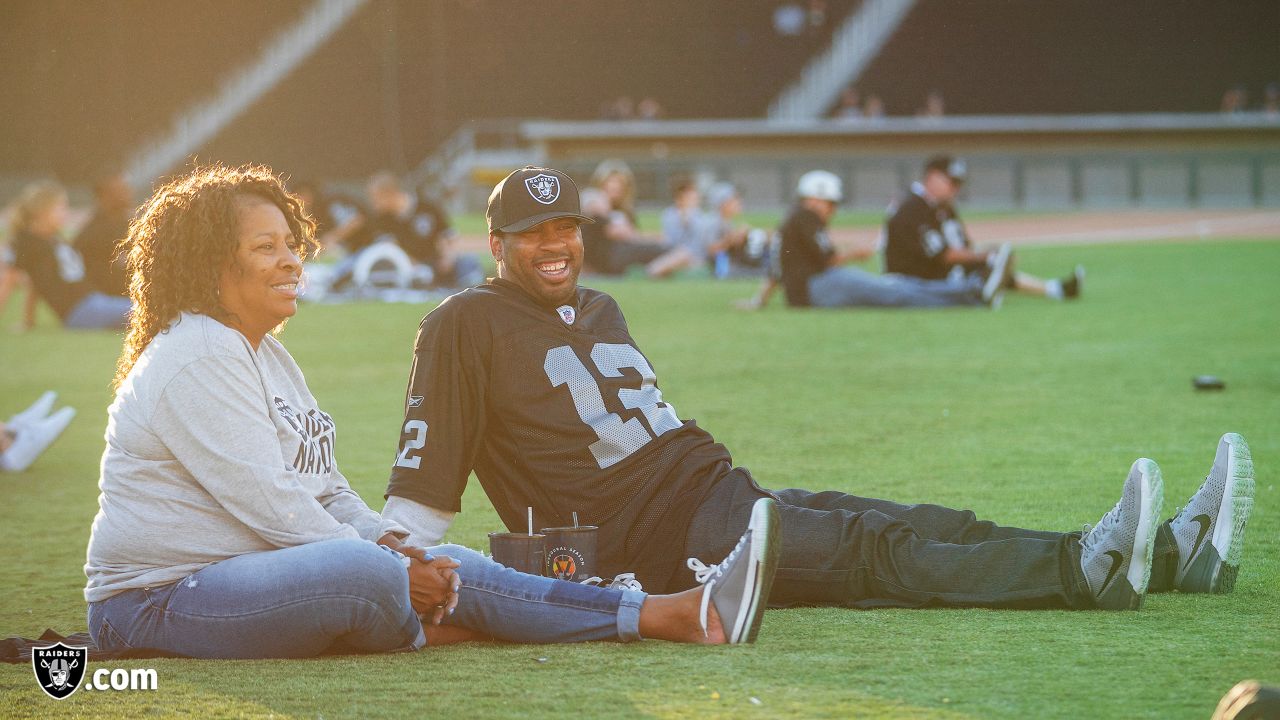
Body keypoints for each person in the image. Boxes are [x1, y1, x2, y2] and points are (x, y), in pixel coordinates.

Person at [382, 165, 1256, 617]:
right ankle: (1082, 571)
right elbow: (422, 498)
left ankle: (1179, 556)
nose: (553, 244)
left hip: (712, 492)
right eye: (530, 233)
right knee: (872, 552)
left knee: (925, 522)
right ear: (495, 242)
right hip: (658, 546)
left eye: (564, 225)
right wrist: (385, 573)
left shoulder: (598, 302)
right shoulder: (462, 322)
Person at [84, 163, 780, 660]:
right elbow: (271, 507)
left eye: (291, 244)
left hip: (251, 576)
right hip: (157, 598)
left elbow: (324, 491)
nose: (292, 261)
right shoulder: (200, 353)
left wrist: (400, 548)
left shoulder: (266, 356)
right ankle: (452, 617)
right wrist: (386, 566)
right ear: (212, 264)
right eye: (265, 248)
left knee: (437, 558)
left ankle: (671, 613)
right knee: (360, 574)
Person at [738, 170, 997, 311]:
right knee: (893, 291)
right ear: (815, 199)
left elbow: (776, 267)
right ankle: (971, 293)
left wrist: (759, 301)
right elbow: (829, 260)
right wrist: (856, 253)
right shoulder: (807, 216)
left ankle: (970, 292)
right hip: (817, 288)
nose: (833, 210)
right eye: (831, 203)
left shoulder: (791, 219)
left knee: (894, 290)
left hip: (803, 294)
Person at [883, 155, 1084, 301]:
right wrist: (989, 256)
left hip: (934, 273)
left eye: (959, 184)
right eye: (952, 182)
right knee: (984, 268)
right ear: (933, 177)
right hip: (909, 282)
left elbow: (963, 247)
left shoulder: (943, 207)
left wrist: (991, 254)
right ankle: (1049, 290)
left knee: (987, 266)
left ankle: (1053, 289)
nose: (956, 189)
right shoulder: (911, 207)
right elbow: (943, 255)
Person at [9, 180, 131, 329]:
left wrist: (29, 321)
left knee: (145, 307)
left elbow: (36, 282)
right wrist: (27, 322)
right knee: (147, 309)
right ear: (42, 212)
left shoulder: (50, 238)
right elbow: (9, 279)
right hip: (81, 311)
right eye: (61, 208)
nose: (65, 213)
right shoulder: (29, 241)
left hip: (93, 301)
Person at [579, 160, 668, 275]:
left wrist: (654, 237)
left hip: (615, 258)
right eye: (611, 181)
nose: (615, 186)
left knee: (656, 247)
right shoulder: (593, 199)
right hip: (600, 258)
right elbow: (621, 233)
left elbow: (632, 235)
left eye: (619, 182)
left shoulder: (625, 211)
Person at [73, 173, 133, 297]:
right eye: (120, 190)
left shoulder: (129, 223)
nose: (127, 193)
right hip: (112, 300)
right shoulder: (91, 234)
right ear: (104, 196)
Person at [645, 178, 707, 278]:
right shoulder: (669, 214)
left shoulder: (698, 215)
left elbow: (699, 241)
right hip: (672, 251)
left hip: (694, 255)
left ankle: (654, 270)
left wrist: (687, 217)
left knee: (684, 253)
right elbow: (670, 239)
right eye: (689, 198)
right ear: (679, 198)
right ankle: (656, 270)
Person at [1, 391, 75, 473]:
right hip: (10, 457)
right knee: (68, 412)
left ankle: (12, 431)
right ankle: (14, 448)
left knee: (11, 427)